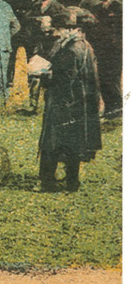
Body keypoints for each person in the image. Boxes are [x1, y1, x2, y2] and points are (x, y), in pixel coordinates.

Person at [38, 11, 102, 192]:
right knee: (74, 143)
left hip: (64, 102)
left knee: (54, 143)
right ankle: (72, 181)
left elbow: (64, 78)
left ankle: (48, 181)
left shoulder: (71, 49)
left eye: (60, 29)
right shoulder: (84, 45)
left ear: (71, 29)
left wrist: (45, 76)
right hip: (79, 102)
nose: (57, 33)